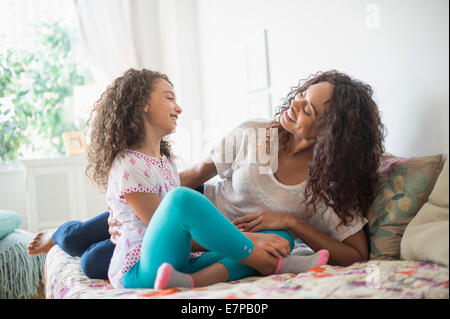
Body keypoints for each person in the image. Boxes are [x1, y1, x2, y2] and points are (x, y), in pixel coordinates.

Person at [28, 68, 329, 289]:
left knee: (282, 241)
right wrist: (250, 239)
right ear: (142, 105)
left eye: (310, 108)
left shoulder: (164, 162)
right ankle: (58, 233)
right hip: (159, 243)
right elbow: (176, 205)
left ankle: (193, 281)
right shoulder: (129, 165)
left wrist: (275, 231)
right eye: (169, 97)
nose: (180, 107)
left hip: (181, 246)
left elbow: (177, 226)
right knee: (82, 240)